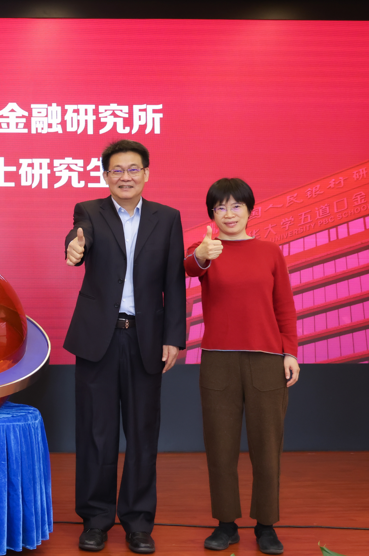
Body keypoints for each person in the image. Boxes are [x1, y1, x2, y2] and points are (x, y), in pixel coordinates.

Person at [64, 140, 186, 554]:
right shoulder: (90, 211)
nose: (125, 177)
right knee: (95, 433)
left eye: (134, 169)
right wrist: (74, 248)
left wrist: (174, 337)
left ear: (146, 174)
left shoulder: (168, 218)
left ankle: (138, 522)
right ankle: (96, 520)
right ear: (106, 176)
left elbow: (174, 282)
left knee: (142, 434)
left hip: (145, 338)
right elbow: (78, 238)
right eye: (117, 170)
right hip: (97, 338)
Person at [184, 178, 298, 555]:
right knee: (220, 446)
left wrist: (290, 352)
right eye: (220, 207)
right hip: (218, 360)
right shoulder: (206, 250)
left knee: (267, 446)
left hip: (267, 360)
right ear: (211, 215)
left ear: (250, 210)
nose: (229, 214)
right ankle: (226, 524)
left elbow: (284, 306)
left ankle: (266, 526)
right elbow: (189, 267)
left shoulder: (270, 252)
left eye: (236, 206)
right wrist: (203, 254)